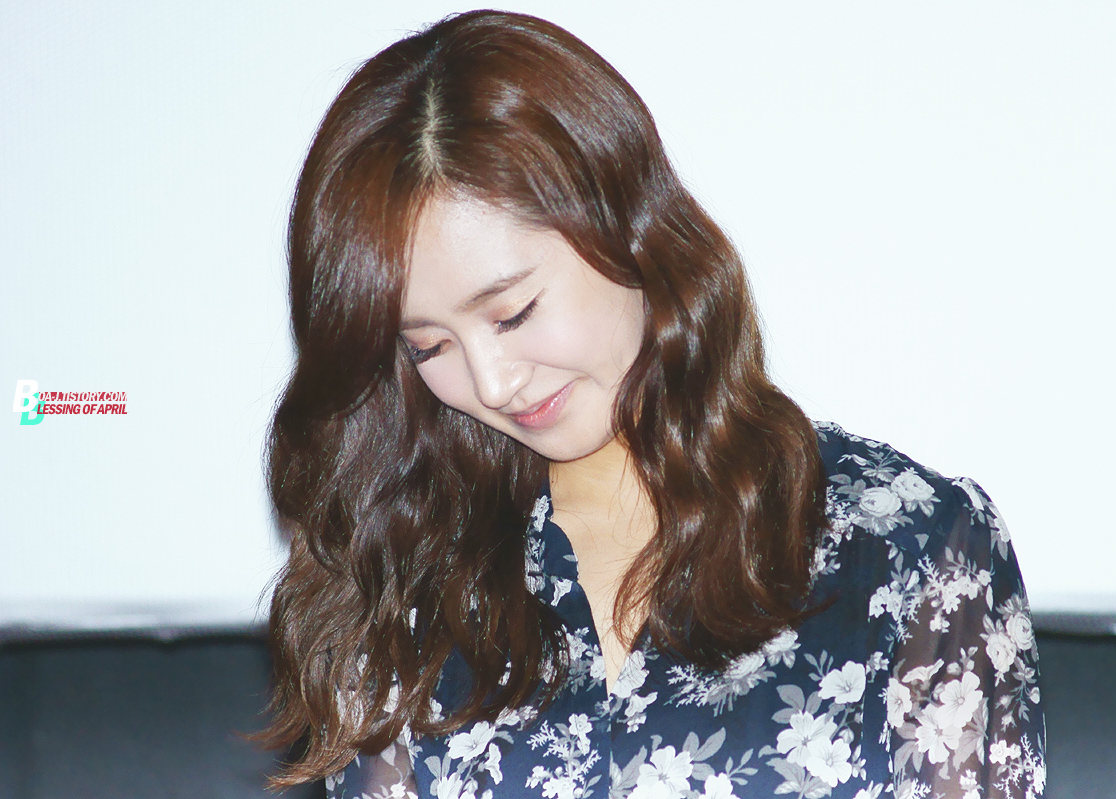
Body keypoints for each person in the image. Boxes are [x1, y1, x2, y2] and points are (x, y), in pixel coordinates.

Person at [261, 10, 1047, 799]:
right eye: (429, 346)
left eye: (512, 313)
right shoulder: (402, 585)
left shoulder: (913, 548)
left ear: (628, 228)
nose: (492, 384)